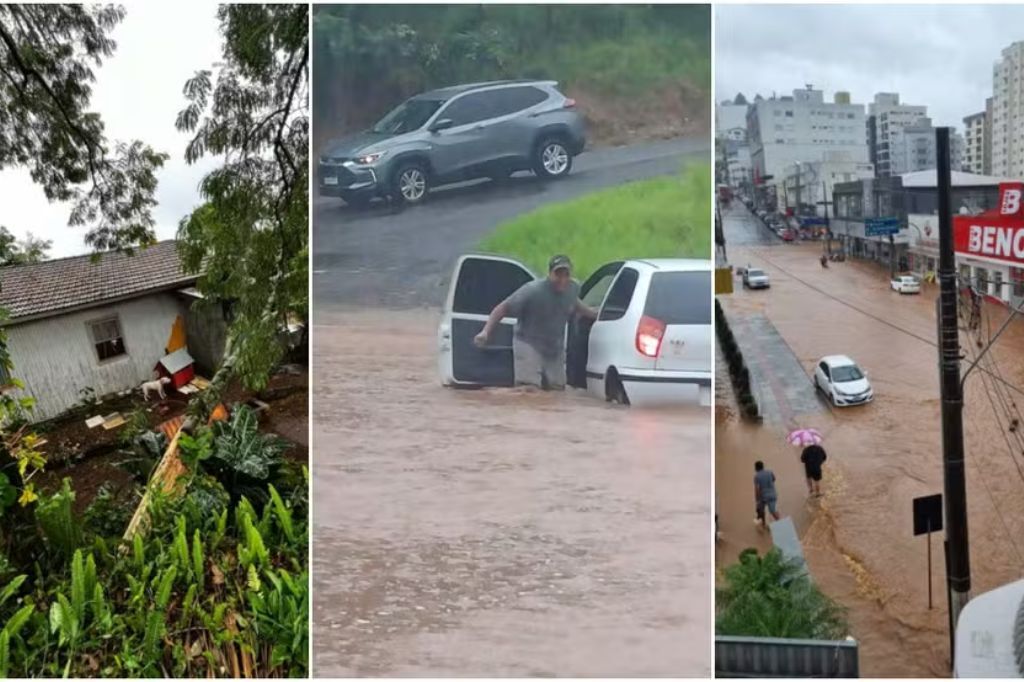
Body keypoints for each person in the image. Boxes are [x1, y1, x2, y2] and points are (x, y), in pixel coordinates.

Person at [474, 254, 598, 390]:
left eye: (566, 274)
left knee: (557, 391)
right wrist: (485, 332)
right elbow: (502, 308)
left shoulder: (573, 288)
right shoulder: (532, 291)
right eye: (558, 274)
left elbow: (574, 303)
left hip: (554, 349)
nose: (562, 279)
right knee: (528, 390)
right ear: (549, 274)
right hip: (528, 344)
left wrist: (595, 314)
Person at [753, 460, 781, 528]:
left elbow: (757, 489)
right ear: (763, 466)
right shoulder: (770, 472)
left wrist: (757, 500)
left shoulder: (756, 476)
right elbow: (774, 479)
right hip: (773, 494)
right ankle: (780, 523)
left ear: (756, 468)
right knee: (773, 511)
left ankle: (763, 524)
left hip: (763, 496)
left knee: (761, 510)